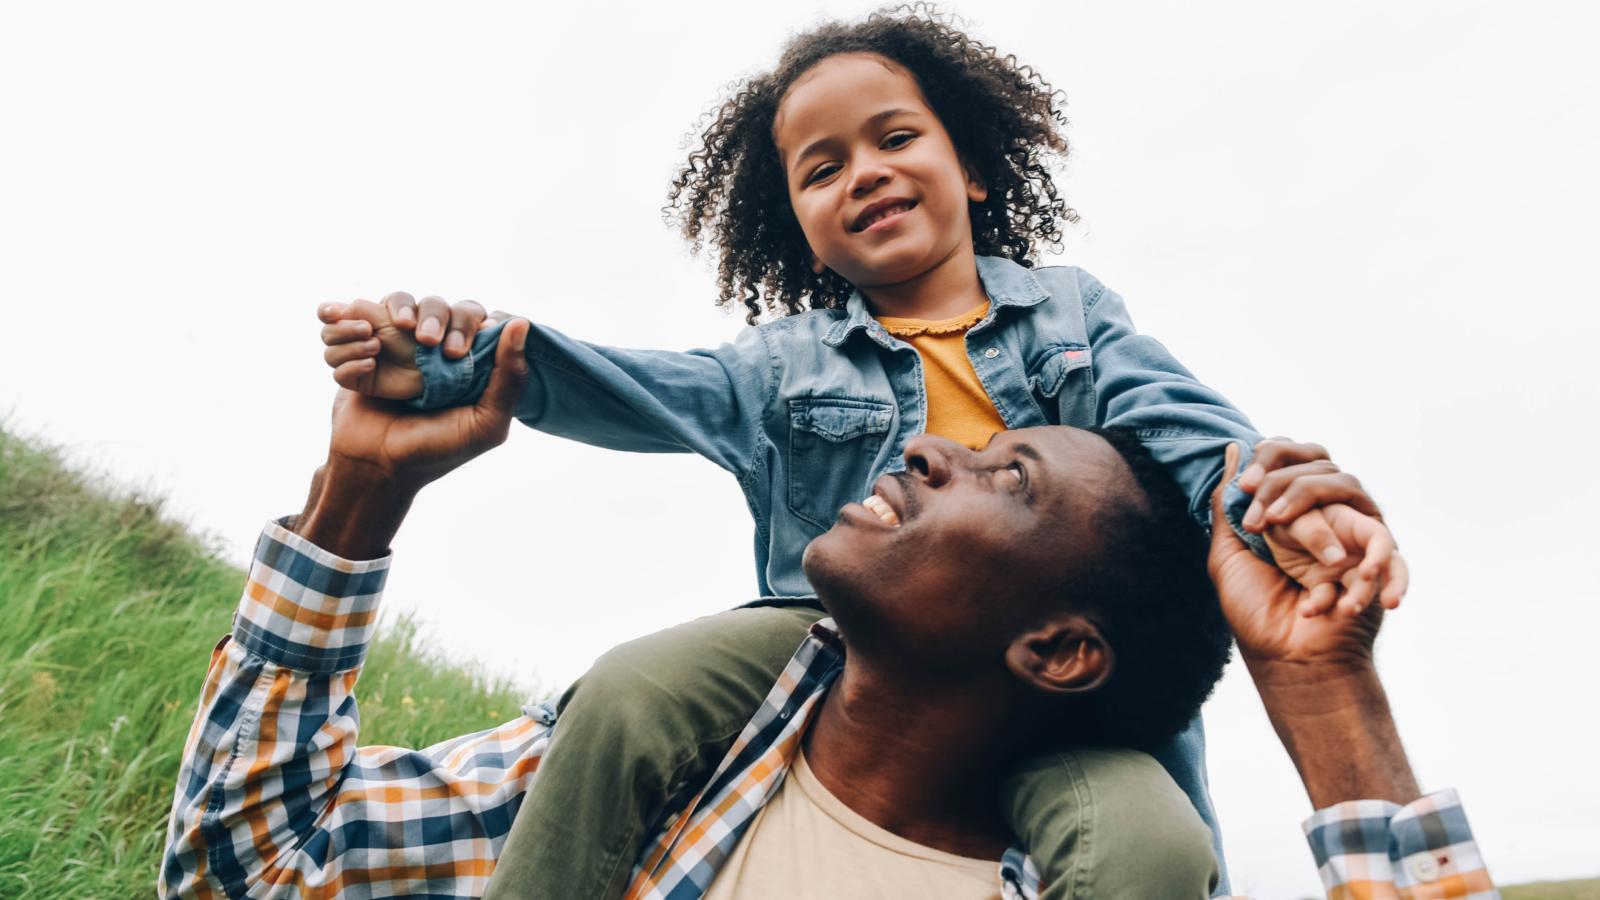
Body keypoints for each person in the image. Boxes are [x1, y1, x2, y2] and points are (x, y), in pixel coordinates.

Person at [314, 9, 1408, 896]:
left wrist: (1274, 502)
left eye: (894, 139)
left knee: (1154, 844)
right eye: (822, 168)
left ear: (971, 169)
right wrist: (458, 358)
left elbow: (1181, 424)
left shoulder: (1071, 314)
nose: (864, 173)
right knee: (633, 689)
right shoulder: (782, 365)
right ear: (798, 224)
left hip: (1057, 675)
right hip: (828, 646)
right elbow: (629, 384)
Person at [158, 327, 1490, 898]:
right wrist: (358, 494)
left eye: (1002, 476)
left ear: (1060, 648)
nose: (926, 449)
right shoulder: (642, 774)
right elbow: (255, 872)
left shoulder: (1086, 874)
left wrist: (1324, 691)